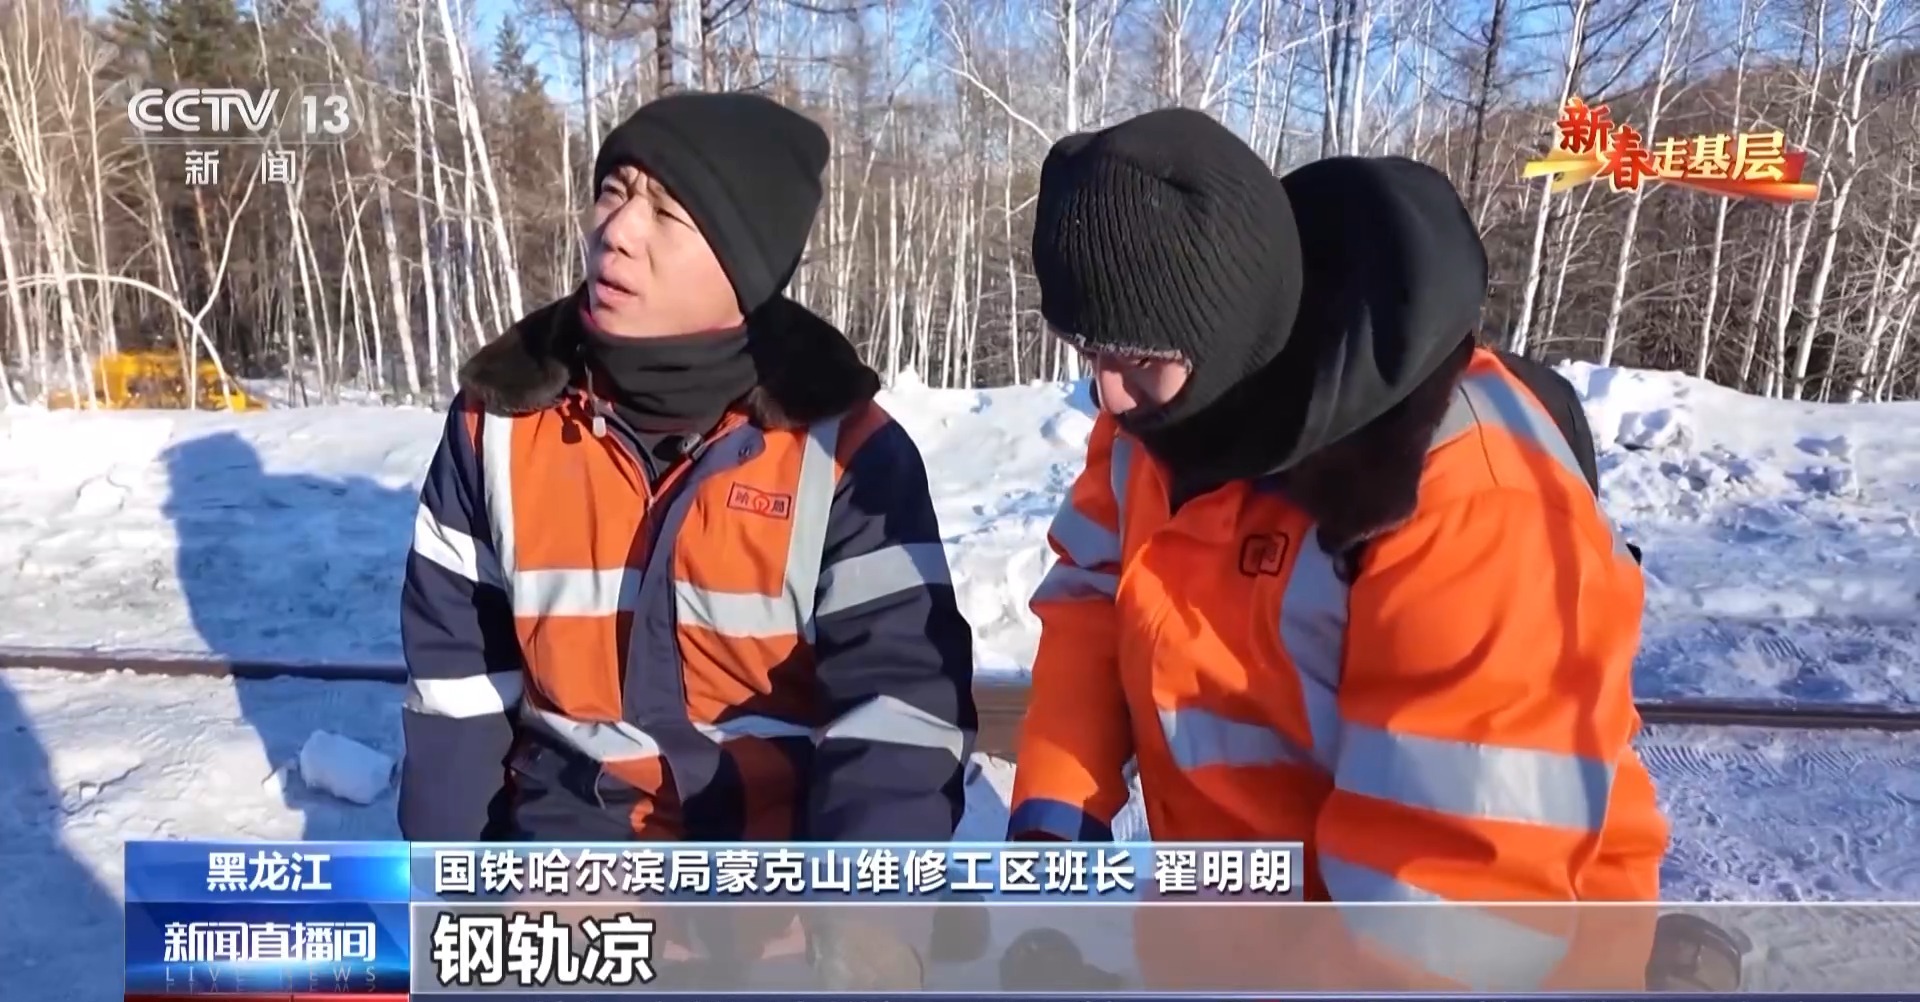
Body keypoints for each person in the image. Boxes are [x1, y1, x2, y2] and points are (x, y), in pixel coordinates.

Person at [1006, 109, 1671, 991]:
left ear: (1226, 329)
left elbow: (1458, 911)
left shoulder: (1472, 492)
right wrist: (1056, 812)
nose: (1109, 396)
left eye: (1135, 358)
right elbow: (1092, 600)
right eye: (1089, 353)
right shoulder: (1158, 421)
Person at [397, 90, 975, 988]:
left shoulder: (847, 453)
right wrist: (470, 909)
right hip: (567, 860)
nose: (617, 231)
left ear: (745, 266)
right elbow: (457, 693)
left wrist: (861, 928)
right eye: (613, 191)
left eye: (667, 212)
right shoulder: (497, 427)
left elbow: (900, 708)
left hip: (783, 872)